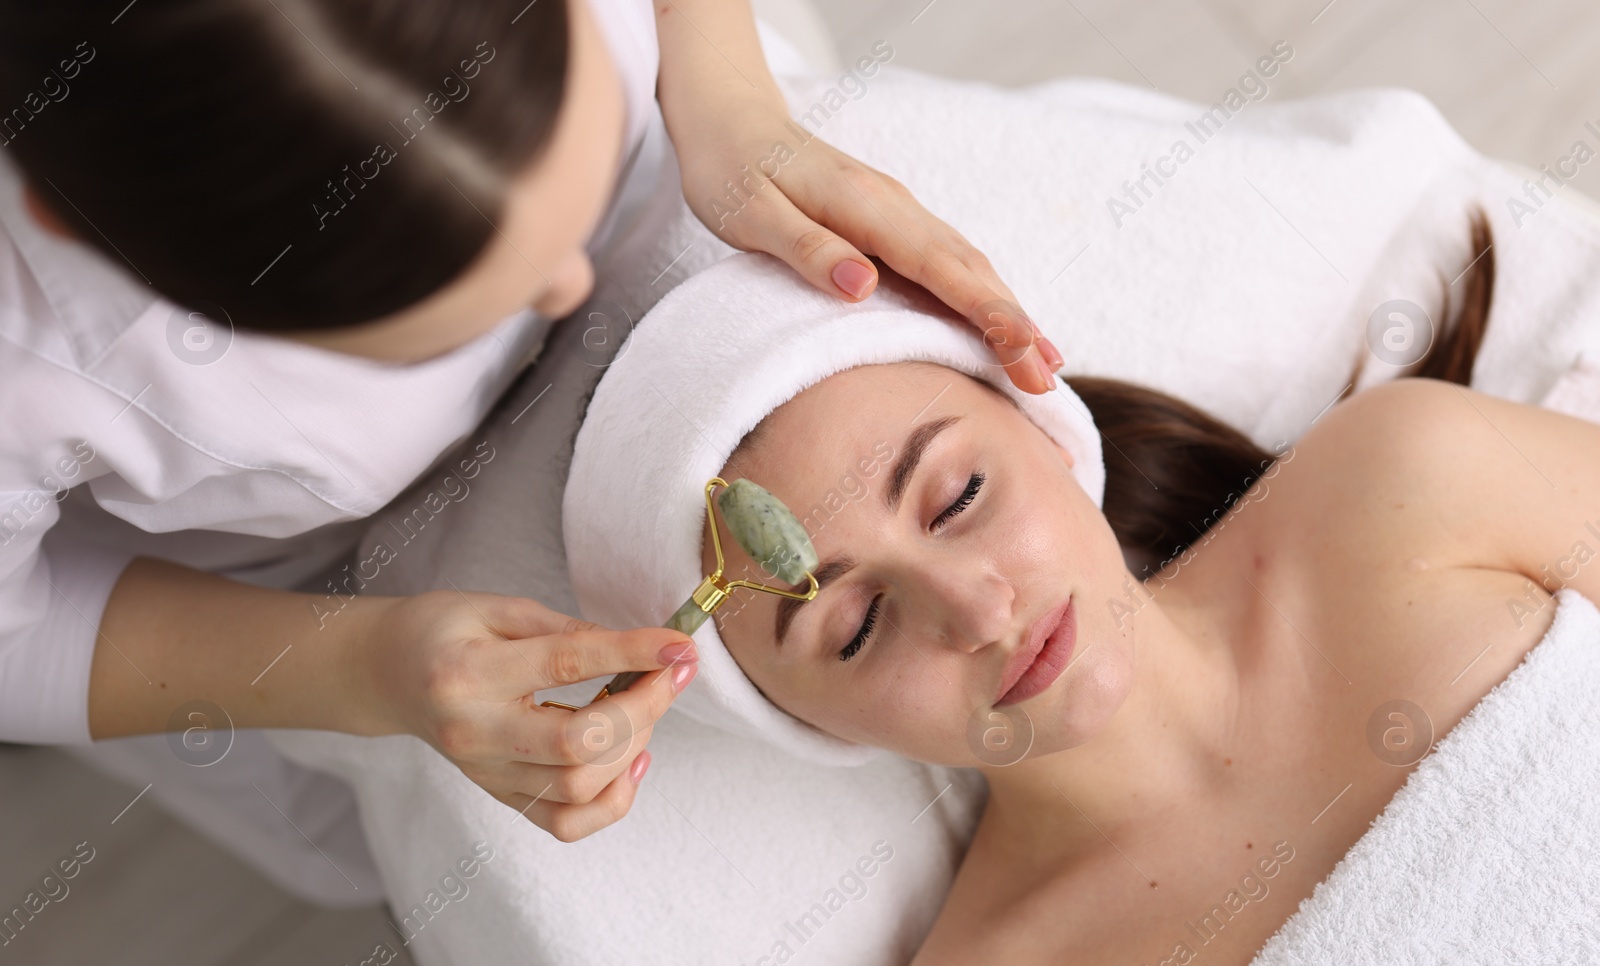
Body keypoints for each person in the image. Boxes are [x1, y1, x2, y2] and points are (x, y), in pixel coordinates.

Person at [0, 0, 1065, 899]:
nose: (569, 284)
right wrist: (363, 668)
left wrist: (724, 92)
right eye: (448, 309)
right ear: (68, 223)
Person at [620, 218, 1596, 966]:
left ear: (1047, 428)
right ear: (804, 719)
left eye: (958, 497)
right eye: (858, 623)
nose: (978, 611)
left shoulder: (1404, 482)